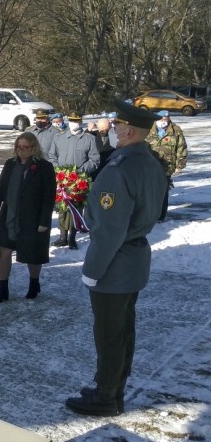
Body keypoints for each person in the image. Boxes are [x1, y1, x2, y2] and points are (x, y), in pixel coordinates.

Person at [65, 101, 167, 417]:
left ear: (130, 130)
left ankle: (106, 398)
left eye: (118, 125)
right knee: (123, 331)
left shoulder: (119, 168)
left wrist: (92, 270)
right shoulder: (150, 163)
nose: (114, 128)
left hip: (115, 264)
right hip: (134, 259)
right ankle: (112, 387)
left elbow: (109, 231)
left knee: (109, 335)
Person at [0, 132, 56, 302]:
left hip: (32, 219)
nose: (21, 151)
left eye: (25, 148)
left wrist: (44, 221)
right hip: (9, 216)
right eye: (18, 147)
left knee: (32, 254)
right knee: (3, 251)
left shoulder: (44, 167)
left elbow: (49, 197)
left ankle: (34, 283)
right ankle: (2, 289)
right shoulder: (10, 164)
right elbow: (0, 189)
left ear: (34, 148)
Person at [48, 112, 100, 249]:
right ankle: (62, 236)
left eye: (77, 121)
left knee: (76, 208)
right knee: (62, 207)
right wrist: (58, 170)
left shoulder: (89, 139)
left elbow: (95, 160)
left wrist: (81, 171)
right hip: (62, 180)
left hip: (79, 180)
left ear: (81, 122)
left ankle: (72, 237)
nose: (74, 123)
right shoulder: (59, 137)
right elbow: (52, 156)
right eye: (72, 121)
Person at [146, 110, 188, 222]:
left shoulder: (175, 130)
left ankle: (160, 216)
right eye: (161, 119)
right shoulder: (148, 129)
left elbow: (181, 148)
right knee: (148, 191)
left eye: (166, 119)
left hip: (167, 167)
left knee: (162, 192)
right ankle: (148, 215)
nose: (163, 121)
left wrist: (180, 165)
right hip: (149, 166)